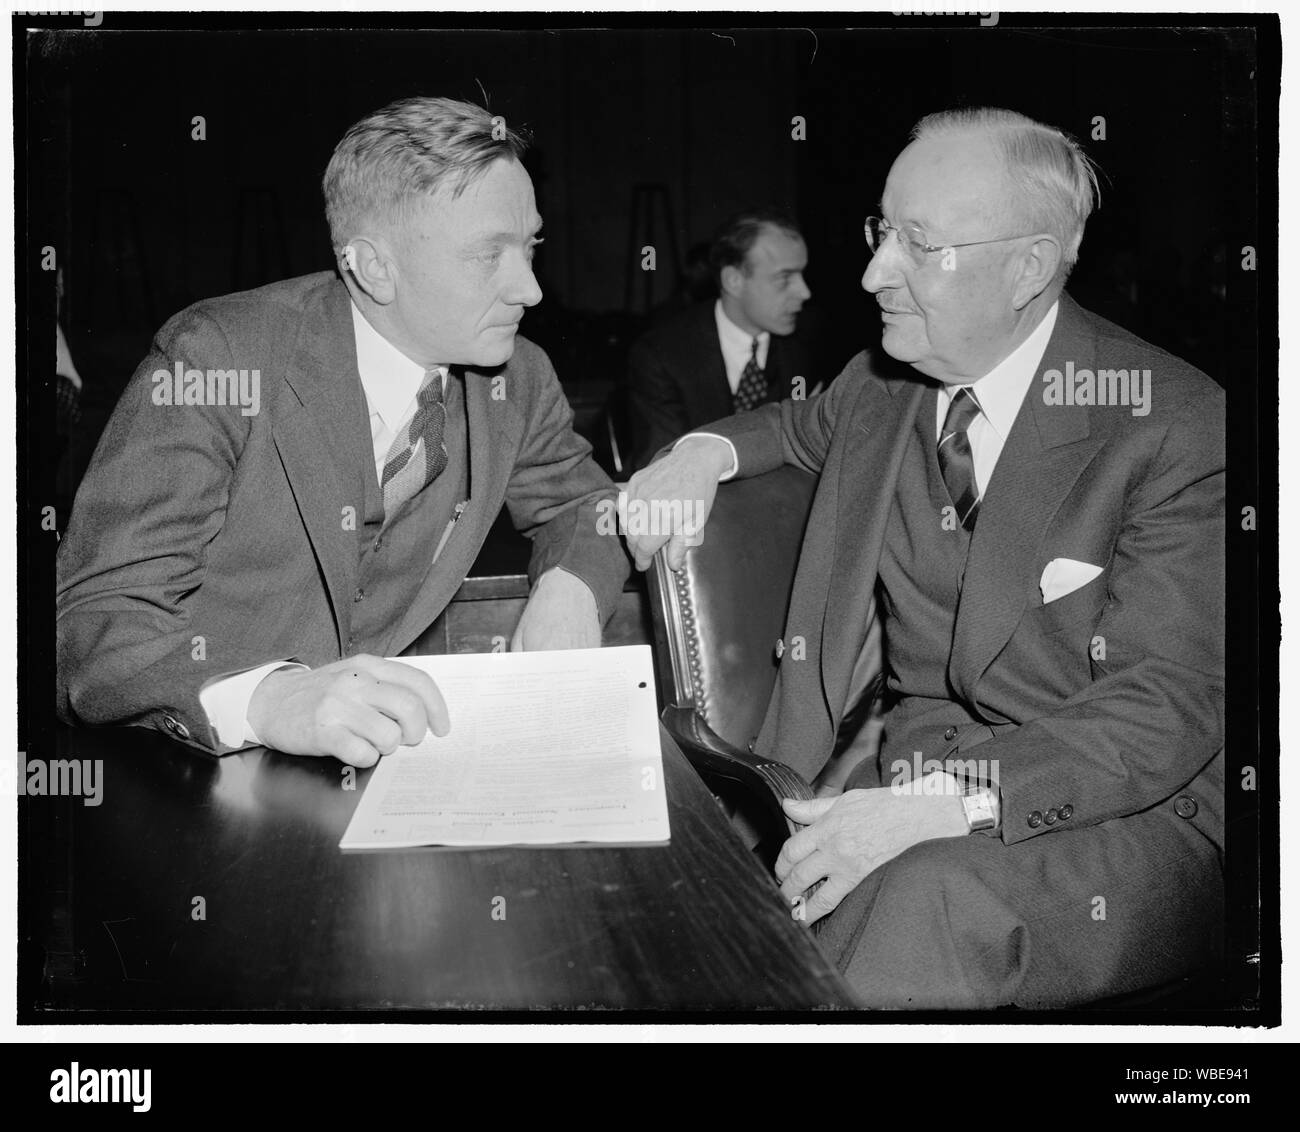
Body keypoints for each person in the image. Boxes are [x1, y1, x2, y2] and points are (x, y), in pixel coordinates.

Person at [624, 107, 1224, 1008]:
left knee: (917, 905)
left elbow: (1166, 709)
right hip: (892, 786)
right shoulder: (881, 386)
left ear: (1027, 265)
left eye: (918, 243)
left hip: (1104, 808)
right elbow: (790, 427)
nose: (872, 273)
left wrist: (937, 806)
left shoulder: (1172, 420)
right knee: (699, 939)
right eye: (879, 231)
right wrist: (701, 454)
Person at [57, 96, 628, 767]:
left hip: (371, 776)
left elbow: (583, 504)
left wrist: (574, 588)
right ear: (373, 266)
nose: (530, 289)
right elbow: (95, 619)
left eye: (529, 244)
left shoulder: (518, 377)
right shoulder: (217, 357)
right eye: (488, 255)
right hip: (187, 777)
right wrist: (271, 700)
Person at [625, 208, 818, 470]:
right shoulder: (660, 355)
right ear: (733, 280)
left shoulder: (811, 346)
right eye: (785, 278)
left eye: (802, 274)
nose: (804, 292)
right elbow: (664, 470)